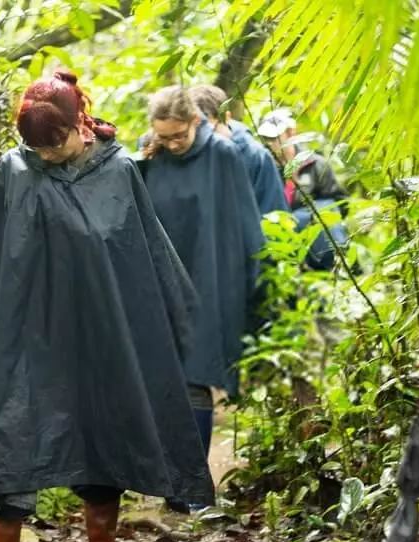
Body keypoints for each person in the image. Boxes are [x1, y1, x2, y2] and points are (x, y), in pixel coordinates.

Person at [0, 70, 215, 542]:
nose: (46, 155)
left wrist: (182, 326)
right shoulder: (13, 172)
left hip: (101, 329)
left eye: (55, 144)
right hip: (28, 335)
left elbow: (147, 256)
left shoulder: (116, 170)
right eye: (36, 147)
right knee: (12, 435)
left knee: (102, 431)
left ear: (78, 126)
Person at [138, 86, 265, 510]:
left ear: (196, 120)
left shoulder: (223, 156)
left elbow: (244, 225)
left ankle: (194, 490)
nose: (173, 144)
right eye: (165, 136)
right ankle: (171, 483)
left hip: (206, 284)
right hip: (157, 285)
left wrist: (250, 287)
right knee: (160, 383)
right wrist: (143, 160)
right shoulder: (152, 157)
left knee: (194, 380)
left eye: (179, 135)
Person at [257, 108, 350, 271]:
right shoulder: (263, 168)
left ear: (291, 133)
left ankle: (335, 264)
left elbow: (339, 201)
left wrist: (307, 219)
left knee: (324, 206)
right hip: (282, 241)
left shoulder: (316, 164)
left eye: (275, 138)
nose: (271, 144)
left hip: (317, 239)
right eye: (266, 139)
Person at [187, 84, 289, 216]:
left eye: (209, 130)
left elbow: (275, 216)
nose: (204, 139)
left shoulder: (255, 157)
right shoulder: (186, 153)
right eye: (197, 132)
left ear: (226, 118)